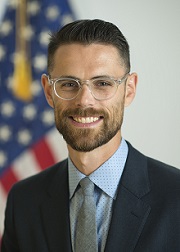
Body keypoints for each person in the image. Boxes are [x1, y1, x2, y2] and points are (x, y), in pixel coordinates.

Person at [1, 19, 180, 252]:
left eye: (102, 83)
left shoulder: (176, 197)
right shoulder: (23, 201)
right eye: (68, 84)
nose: (84, 100)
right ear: (48, 91)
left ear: (129, 89)